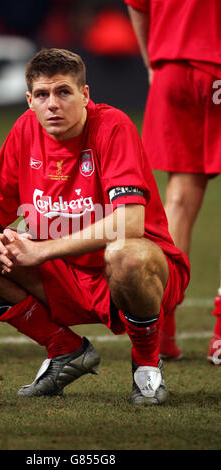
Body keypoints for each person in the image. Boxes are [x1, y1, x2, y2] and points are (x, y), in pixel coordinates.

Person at [0, 48, 190, 404]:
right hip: (63, 276)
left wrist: (41, 249)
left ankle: (146, 364)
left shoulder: (112, 125)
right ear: (29, 100)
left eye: (63, 92)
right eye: (42, 95)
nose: (52, 104)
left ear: (85, 95)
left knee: (126, 253)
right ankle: (63, 349)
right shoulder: (25, 130)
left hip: (131, 272)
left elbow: (130, 222)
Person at [125, 0, 221, 362]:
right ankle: (220, 338)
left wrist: (152, 60)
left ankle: (161, 330)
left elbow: (137, 6)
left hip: (172, 68)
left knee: (178, 201)